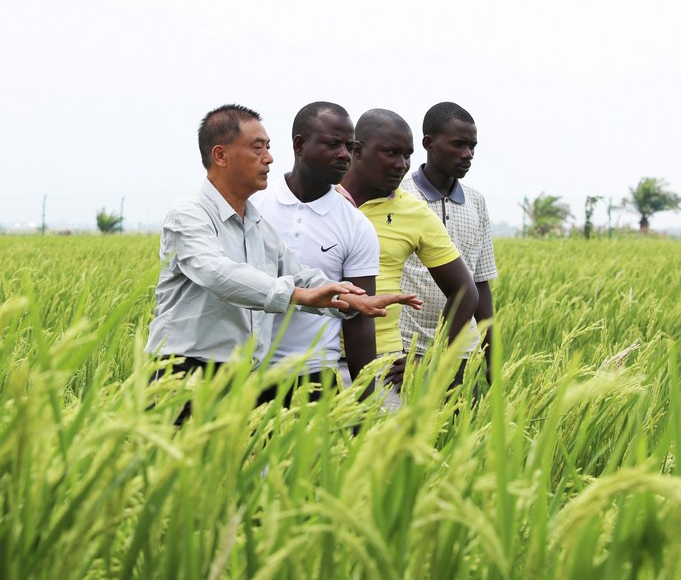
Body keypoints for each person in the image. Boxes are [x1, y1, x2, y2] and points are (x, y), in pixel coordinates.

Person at [145, 104, 413, 421]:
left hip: (239, 377)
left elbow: (301, 276)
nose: (269, 158)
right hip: (184, 371)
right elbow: (216, 272)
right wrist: (297, 295)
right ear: (221, 155)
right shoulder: (189, 214)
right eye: (257, 149)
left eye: (269, 148)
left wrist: (353, 300)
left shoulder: (256, 225)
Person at [251, 102, 421, 405]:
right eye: (333, 144)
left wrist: (364, 407)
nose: (345, 154)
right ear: (300, 145)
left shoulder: (356, 225)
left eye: (349, 145)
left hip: (315, 377)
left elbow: (358, 321)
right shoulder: (254, 207)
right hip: (245, 373)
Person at [338, 108, 478, 398]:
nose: (402, 165)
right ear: (357, 150)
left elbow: (466, 290)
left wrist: (434, 357)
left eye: (407, 155)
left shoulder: (414, 212)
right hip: (314, 360)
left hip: (384, 364)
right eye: (391, 153)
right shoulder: (324, 201)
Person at [399, 102, 497, 384]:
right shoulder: (399, 195)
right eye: (458, 144)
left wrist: (491, 356)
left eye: (472, 146)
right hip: (408, 351)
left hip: (461, 353)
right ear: (429, 143)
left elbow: (480, 283)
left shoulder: (476, 203)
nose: (468, 155)